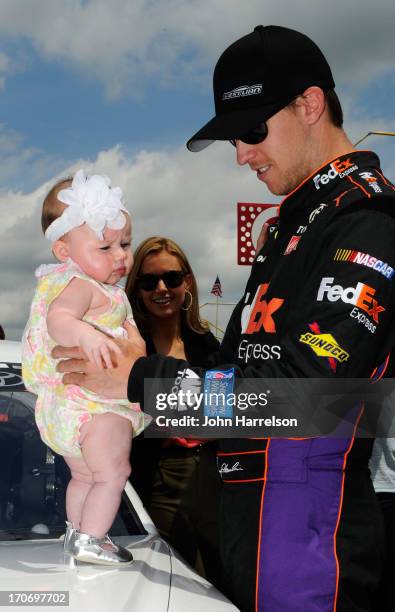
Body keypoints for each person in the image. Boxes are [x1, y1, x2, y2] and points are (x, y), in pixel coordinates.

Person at [54, 25, 395, 611]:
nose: (240, 154)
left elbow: (305, 397)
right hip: (243, 517)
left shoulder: (366, 218)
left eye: (251, 131)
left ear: (310, 104)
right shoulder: (292, 224)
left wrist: (143, 380)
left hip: (308, 535)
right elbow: (240, 370)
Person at [22, 169, 148, 566]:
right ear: (65, 252)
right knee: (114, 473)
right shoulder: (82, 286)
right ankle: (93, 537)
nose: (122, 256)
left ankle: (76, 532)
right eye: (106, 247)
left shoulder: (71, 282)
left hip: (67, 410)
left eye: (125, 244)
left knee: (86, 477)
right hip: (95, 404)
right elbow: (59, 320)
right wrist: (87, 336)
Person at [125, 236, 222, 585]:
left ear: (188, 282)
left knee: (215, 580)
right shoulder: (126, 344)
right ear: (136, 288)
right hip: (150, 481)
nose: (162, 288)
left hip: (212, 480)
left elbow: (221, 413)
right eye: (149, 281)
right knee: (169, 583)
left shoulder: (210, 347)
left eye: (172, 278)